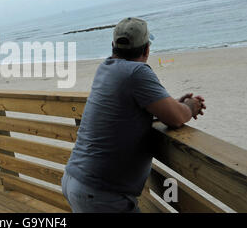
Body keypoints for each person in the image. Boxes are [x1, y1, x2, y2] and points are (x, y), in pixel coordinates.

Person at [62, 17, 206, 213]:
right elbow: (177, 118)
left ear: (113, 46)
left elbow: (127, 111)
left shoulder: (106, 68)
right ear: (147, 49)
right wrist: (190, 107)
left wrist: (172, 105)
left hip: (76, 181)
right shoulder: (137, 72)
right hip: (102, 194)